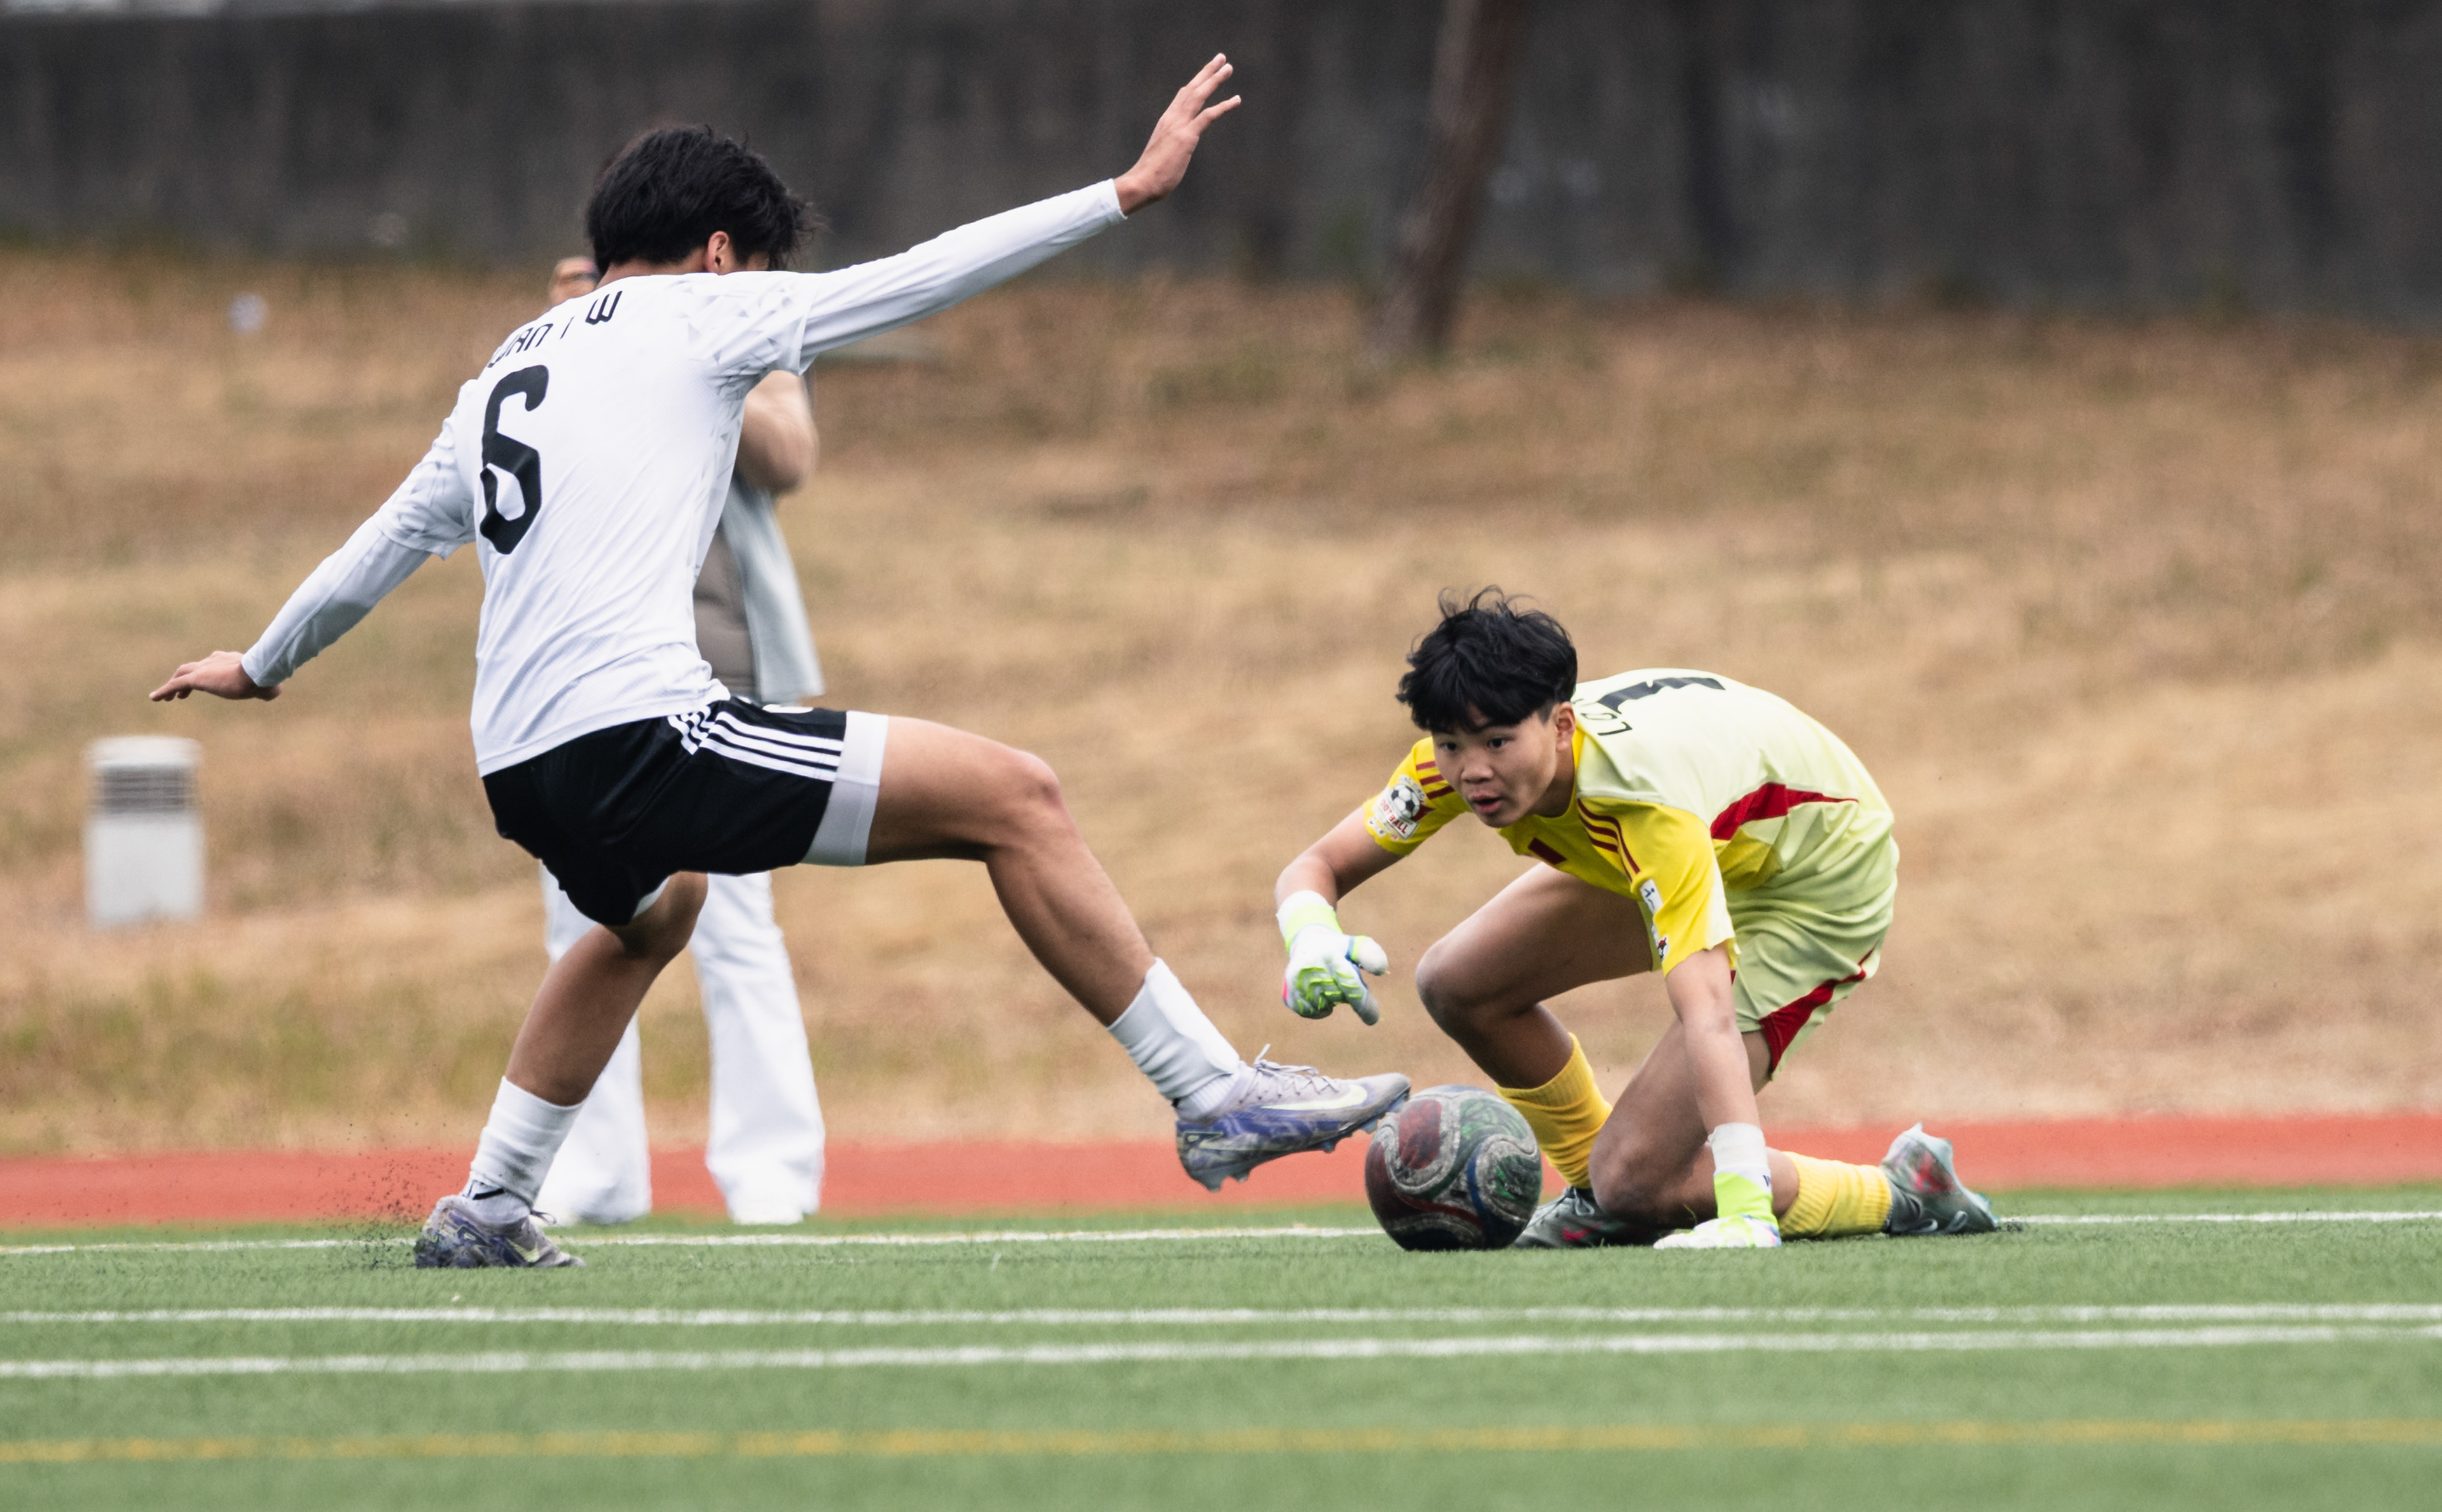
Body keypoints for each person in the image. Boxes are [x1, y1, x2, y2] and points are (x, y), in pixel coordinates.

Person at [153, 57, 1409, 1268]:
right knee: (1016, 797)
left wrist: (261, 663)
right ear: (716, 254)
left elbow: (383, 542)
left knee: (660, 911)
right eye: (752, 266)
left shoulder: (503, 370)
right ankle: (1213, 1099)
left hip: (521, 765)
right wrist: (1121, 195)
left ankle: (488, 1203)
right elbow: (921, 278)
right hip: (643, 735)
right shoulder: (705, 308)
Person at [1268, 589, 1996, 1249]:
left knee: (1640, 1183)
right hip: (1726, 840)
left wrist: (1744, 1210)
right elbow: (1317, 866)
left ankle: (1904, 1191)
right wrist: (1308, 937)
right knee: (1458, 981)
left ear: (1560, 725)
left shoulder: (1645, 805)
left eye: (1496, 743)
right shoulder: (1448, 766)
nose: (1472, 771)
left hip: (1815, 883)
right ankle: (1596, 1197)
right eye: (1452, 745)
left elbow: (1706, 1009)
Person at [532, 253, 828, 1227]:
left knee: (739, 933)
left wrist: (682, 356)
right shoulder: (560, 347)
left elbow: (789, 458)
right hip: (586, 683)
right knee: (583, 931)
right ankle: (594, 1175)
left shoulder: (739, 324)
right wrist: (586, 345)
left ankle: (773, 1181)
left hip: (725, 671)